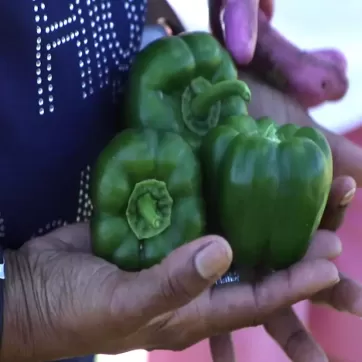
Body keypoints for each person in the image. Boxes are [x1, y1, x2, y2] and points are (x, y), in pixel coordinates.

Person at [1, 2, 362, 362]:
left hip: (81, 291)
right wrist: (18, 306)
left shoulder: (201, 140)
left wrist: (157, 34)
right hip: (52, 306)